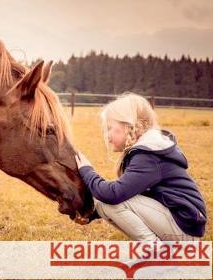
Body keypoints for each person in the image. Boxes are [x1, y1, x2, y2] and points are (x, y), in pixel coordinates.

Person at [75, 93, 207, 241]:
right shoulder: (147, 151)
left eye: (111, 128)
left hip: (184, 227)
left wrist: (87, 171)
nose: (108, 135)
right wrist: (93, 214)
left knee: (109, 202)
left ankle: (155, 254)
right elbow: (134, 194)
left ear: (129, 126)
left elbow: (113, 195)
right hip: (183, 223)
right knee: (105, 205)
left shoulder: (148, 156)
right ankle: (158, 254)